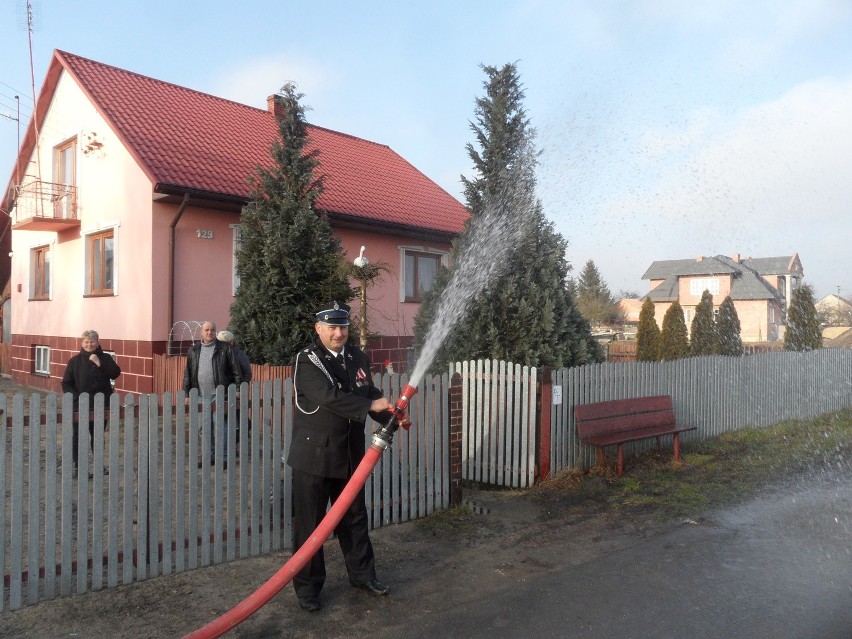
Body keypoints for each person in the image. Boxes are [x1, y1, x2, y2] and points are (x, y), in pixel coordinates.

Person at [287, 301, 393, 612]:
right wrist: (369, 407)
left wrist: (389, 414)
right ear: (318, 328)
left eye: (343, 327)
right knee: (310, 525)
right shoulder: (307, 362)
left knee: (355, 517)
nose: (338, 333)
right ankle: (308, 589)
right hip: (314, 457)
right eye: (331, 327)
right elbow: (330, 398)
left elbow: (366, 391)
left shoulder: (357, 356)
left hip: (348, 453)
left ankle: (363, 576)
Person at [61, 329, 121, 475]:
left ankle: (99, 466)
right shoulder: (74, 362)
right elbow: (66, 384)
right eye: (86, 341)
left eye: (92, 341)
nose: (89, 344)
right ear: (82, 343)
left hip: (101, 406)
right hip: (80, 407)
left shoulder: (105, 358)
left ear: (97, 342)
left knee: (98, 436)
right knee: (79, 436)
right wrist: (78, 398)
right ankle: (77, 468)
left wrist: (98, 362)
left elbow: (115, 373)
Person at [183, 320, 242, 466]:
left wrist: (237, 389)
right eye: (207, 330)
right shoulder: (193, 350)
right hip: (200, 396)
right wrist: (186, 394)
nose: (210, 333)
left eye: (212, 330)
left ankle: (223, 458)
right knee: (204, 429)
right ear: (201, 332)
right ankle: (208, 457)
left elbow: (236, 371)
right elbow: (188, 374)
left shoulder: (225, 349)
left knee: (219, 427)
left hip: (219, 395)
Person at [217, 329, 252, 450]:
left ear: (231, 342)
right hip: (220, 391)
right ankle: (224, 445)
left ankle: (237, 446)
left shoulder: (239, 354)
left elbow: (247, 373)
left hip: (235, 392)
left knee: (238, 420)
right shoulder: (218, 353)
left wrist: (240, 387)